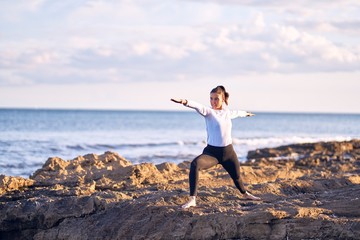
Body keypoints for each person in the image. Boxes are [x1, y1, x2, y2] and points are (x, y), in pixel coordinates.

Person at [171, 85, 260, 209]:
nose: (213, 102)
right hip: (211, 154)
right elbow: (197, 106)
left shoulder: (227, 113)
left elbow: (238, 113)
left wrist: (246, 113)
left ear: (223, 99)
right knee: (195, 165)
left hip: (228, 153)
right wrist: (184, 102)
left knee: (237, 177)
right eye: (211, 99)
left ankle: (245, 194)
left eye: (216, 99)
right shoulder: (209, 112)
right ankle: (192, 199)